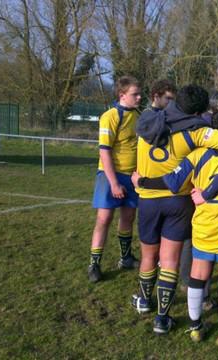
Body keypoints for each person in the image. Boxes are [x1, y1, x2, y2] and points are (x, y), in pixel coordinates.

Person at [129, 85, 218, 328]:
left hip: (147, 199)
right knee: (169, 260)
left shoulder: (146, 123)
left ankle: (145, 300)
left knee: (148, 256)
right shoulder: (196, 133)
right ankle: (162, 318)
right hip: (178, 200)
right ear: (198, 112)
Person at [88, 75, 142, 283]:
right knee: (104, 219)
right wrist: (114, 182)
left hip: (132, 177)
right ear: (122, 95)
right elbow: (104, 152)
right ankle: (94, 263)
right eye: (134, 94)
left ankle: (126, 257)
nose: (139, 97)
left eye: (139, 93)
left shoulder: (138, 115)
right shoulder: (110, 116)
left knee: (128, 217)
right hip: (110, 175)